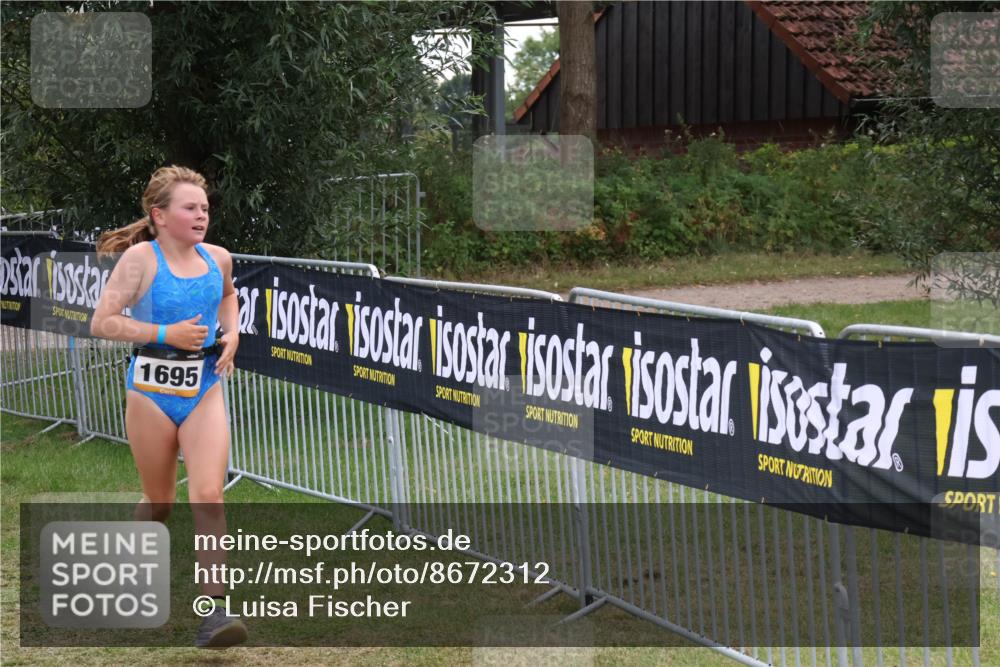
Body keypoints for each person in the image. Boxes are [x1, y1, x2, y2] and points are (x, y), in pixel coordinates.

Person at [90, 165, 247, 648]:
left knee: (209, 495)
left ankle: (214, 613)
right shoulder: (140, 259)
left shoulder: (218, 257)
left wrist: (233, 333)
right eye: (190, 208)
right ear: (160, 215)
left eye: (205, 208)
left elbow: (228, 297)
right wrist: (165, 333)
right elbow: (102, 322)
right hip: (150, 393)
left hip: (204, 388)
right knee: (160, 503)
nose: (202, 215)